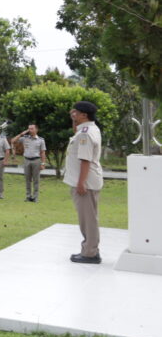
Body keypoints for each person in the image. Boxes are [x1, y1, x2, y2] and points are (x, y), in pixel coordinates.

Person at [64, 101, 103, 264]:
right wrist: (73, 119)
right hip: (87, 181)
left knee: (88, 220)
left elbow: (85, 160)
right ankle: (89, 250)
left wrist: (81, 183)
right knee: (88, 219)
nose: (74, 114)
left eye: (76, 113)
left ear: (84, 115)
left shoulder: (86, 134)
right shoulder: (88, 129)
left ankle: (90, 253)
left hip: (85, 183)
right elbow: (76, 133)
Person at [14, 123, 47, 202]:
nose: (30, 130)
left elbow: (43, 152)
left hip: (36, 160)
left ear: (36, 130)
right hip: (26, 160)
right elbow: (13, 141)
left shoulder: (41, 140)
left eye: (32, 129)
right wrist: (22, 134)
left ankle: (35, 197)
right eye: (29, 129)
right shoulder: (25, 138)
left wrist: (43, 163)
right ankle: (28, 196)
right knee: (27, 179)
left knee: (36, 180)